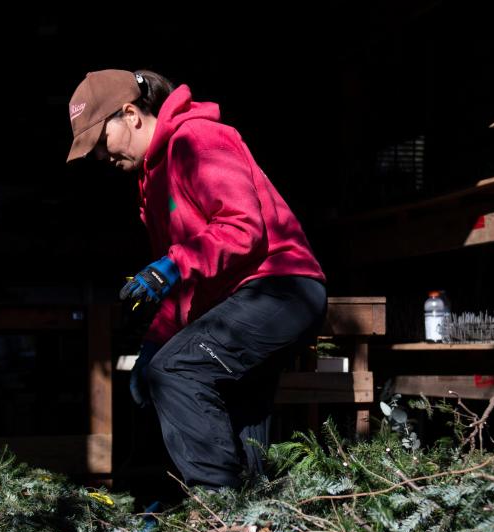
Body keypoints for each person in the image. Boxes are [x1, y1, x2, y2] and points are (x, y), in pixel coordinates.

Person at [66, 69, 327, 491]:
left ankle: (217, 510)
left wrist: (170, 266)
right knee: (234, 428)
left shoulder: (197, 139)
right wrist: (153, 342)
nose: (101, 156)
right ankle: (251, 527)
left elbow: (243, 228)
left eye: (100, 141)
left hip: (281, 286)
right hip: (236, 303)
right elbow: (181, 278)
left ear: (130, 114)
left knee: (177, 372)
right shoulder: (150, 185)